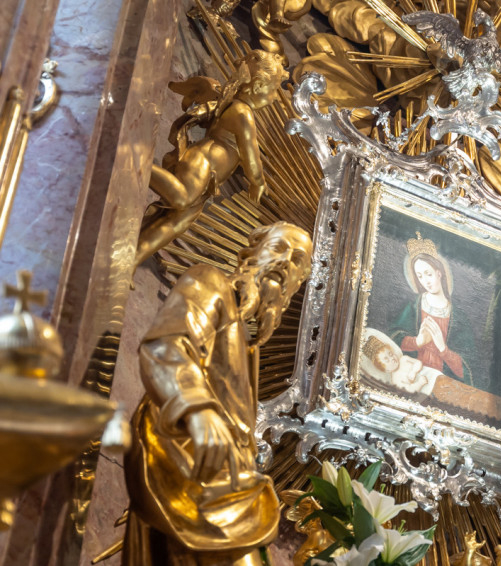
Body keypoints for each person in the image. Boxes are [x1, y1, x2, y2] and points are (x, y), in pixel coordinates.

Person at [123, 222, 312, 566]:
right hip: (189, 463)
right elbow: (168, 345)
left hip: (227, 485)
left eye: (297, 260)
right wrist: (198, 409)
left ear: (298, 283)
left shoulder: (249, 344)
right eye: (278, 248)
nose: (285, 262)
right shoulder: (210, 282)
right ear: (250, 253)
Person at [133, 49, 287, 273]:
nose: (274, 98)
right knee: (181, 199)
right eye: (273, 90)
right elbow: (251, 155)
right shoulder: (242, 113)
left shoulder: (234, 104)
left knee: (175, 224)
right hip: (202, 162)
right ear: (258, 87)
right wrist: (258, 182)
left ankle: (131, 259)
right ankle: (137, 162)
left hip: (208, 180)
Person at [389, 233, 476, 388]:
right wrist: (417, 342)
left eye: (428, 274)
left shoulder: (459, 318)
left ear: (439, 273)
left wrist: (443, 349)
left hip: (443, 384)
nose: (425, 281)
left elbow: (467, 369)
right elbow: (392, 339)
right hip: (412, 377)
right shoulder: (414, 307)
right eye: (420, 276)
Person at [362, 333, 440, 394]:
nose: (392, 358)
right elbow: (409, 390)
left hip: (431, 374)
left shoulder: (403, 359)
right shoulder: (395, 380)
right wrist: (420, 383)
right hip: (425, 388)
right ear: (385, 369)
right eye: (387, 360)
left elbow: (418, 363)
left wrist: (413, 371)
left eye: (391, 354)